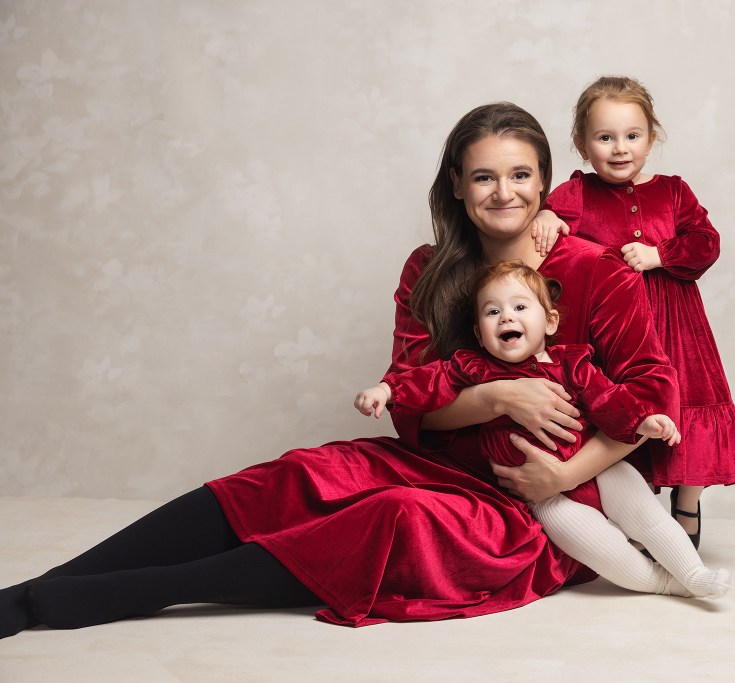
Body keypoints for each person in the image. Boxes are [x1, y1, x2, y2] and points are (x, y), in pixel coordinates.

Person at [0, 102, 688, 638]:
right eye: (483, 175)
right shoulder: (429, 270)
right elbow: (413, 409)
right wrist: (501, 395)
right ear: (457, 184)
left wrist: (561, 474)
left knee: (393, 515)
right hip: (447, 464)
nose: (503, 192)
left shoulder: (598, 270)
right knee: (303, 474)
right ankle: (41, 587)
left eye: (520, 175)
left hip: (552, 506)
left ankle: (104, 595)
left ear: (546, 180)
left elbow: (655, 403)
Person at [356, 261, 730, 599]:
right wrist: (387, 390)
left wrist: (643, 420)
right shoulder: (473, 367)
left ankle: (694, 572)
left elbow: (609, 399)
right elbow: (427, 381)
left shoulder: (572, 363)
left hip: (598, 469)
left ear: (549, 322)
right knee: (595, 544)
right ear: (478, 331)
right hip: (541, 495)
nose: (506, 317)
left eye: (520, 307)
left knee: (644, 512)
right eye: (492, 311)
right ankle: (660, 582)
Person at [531, 75, 735, 548]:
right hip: (617, 329)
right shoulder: (577, 195)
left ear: (651, 138)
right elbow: (545, 222)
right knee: (625, 411)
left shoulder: (673, 191)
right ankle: (630, 515)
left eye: (632, 136)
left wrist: (661, 255)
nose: (620, 149)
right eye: (605, 137)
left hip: (676, 323)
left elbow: (706, 242)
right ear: (581, 144)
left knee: (688, 404)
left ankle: (687, 504)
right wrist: (546, 215)